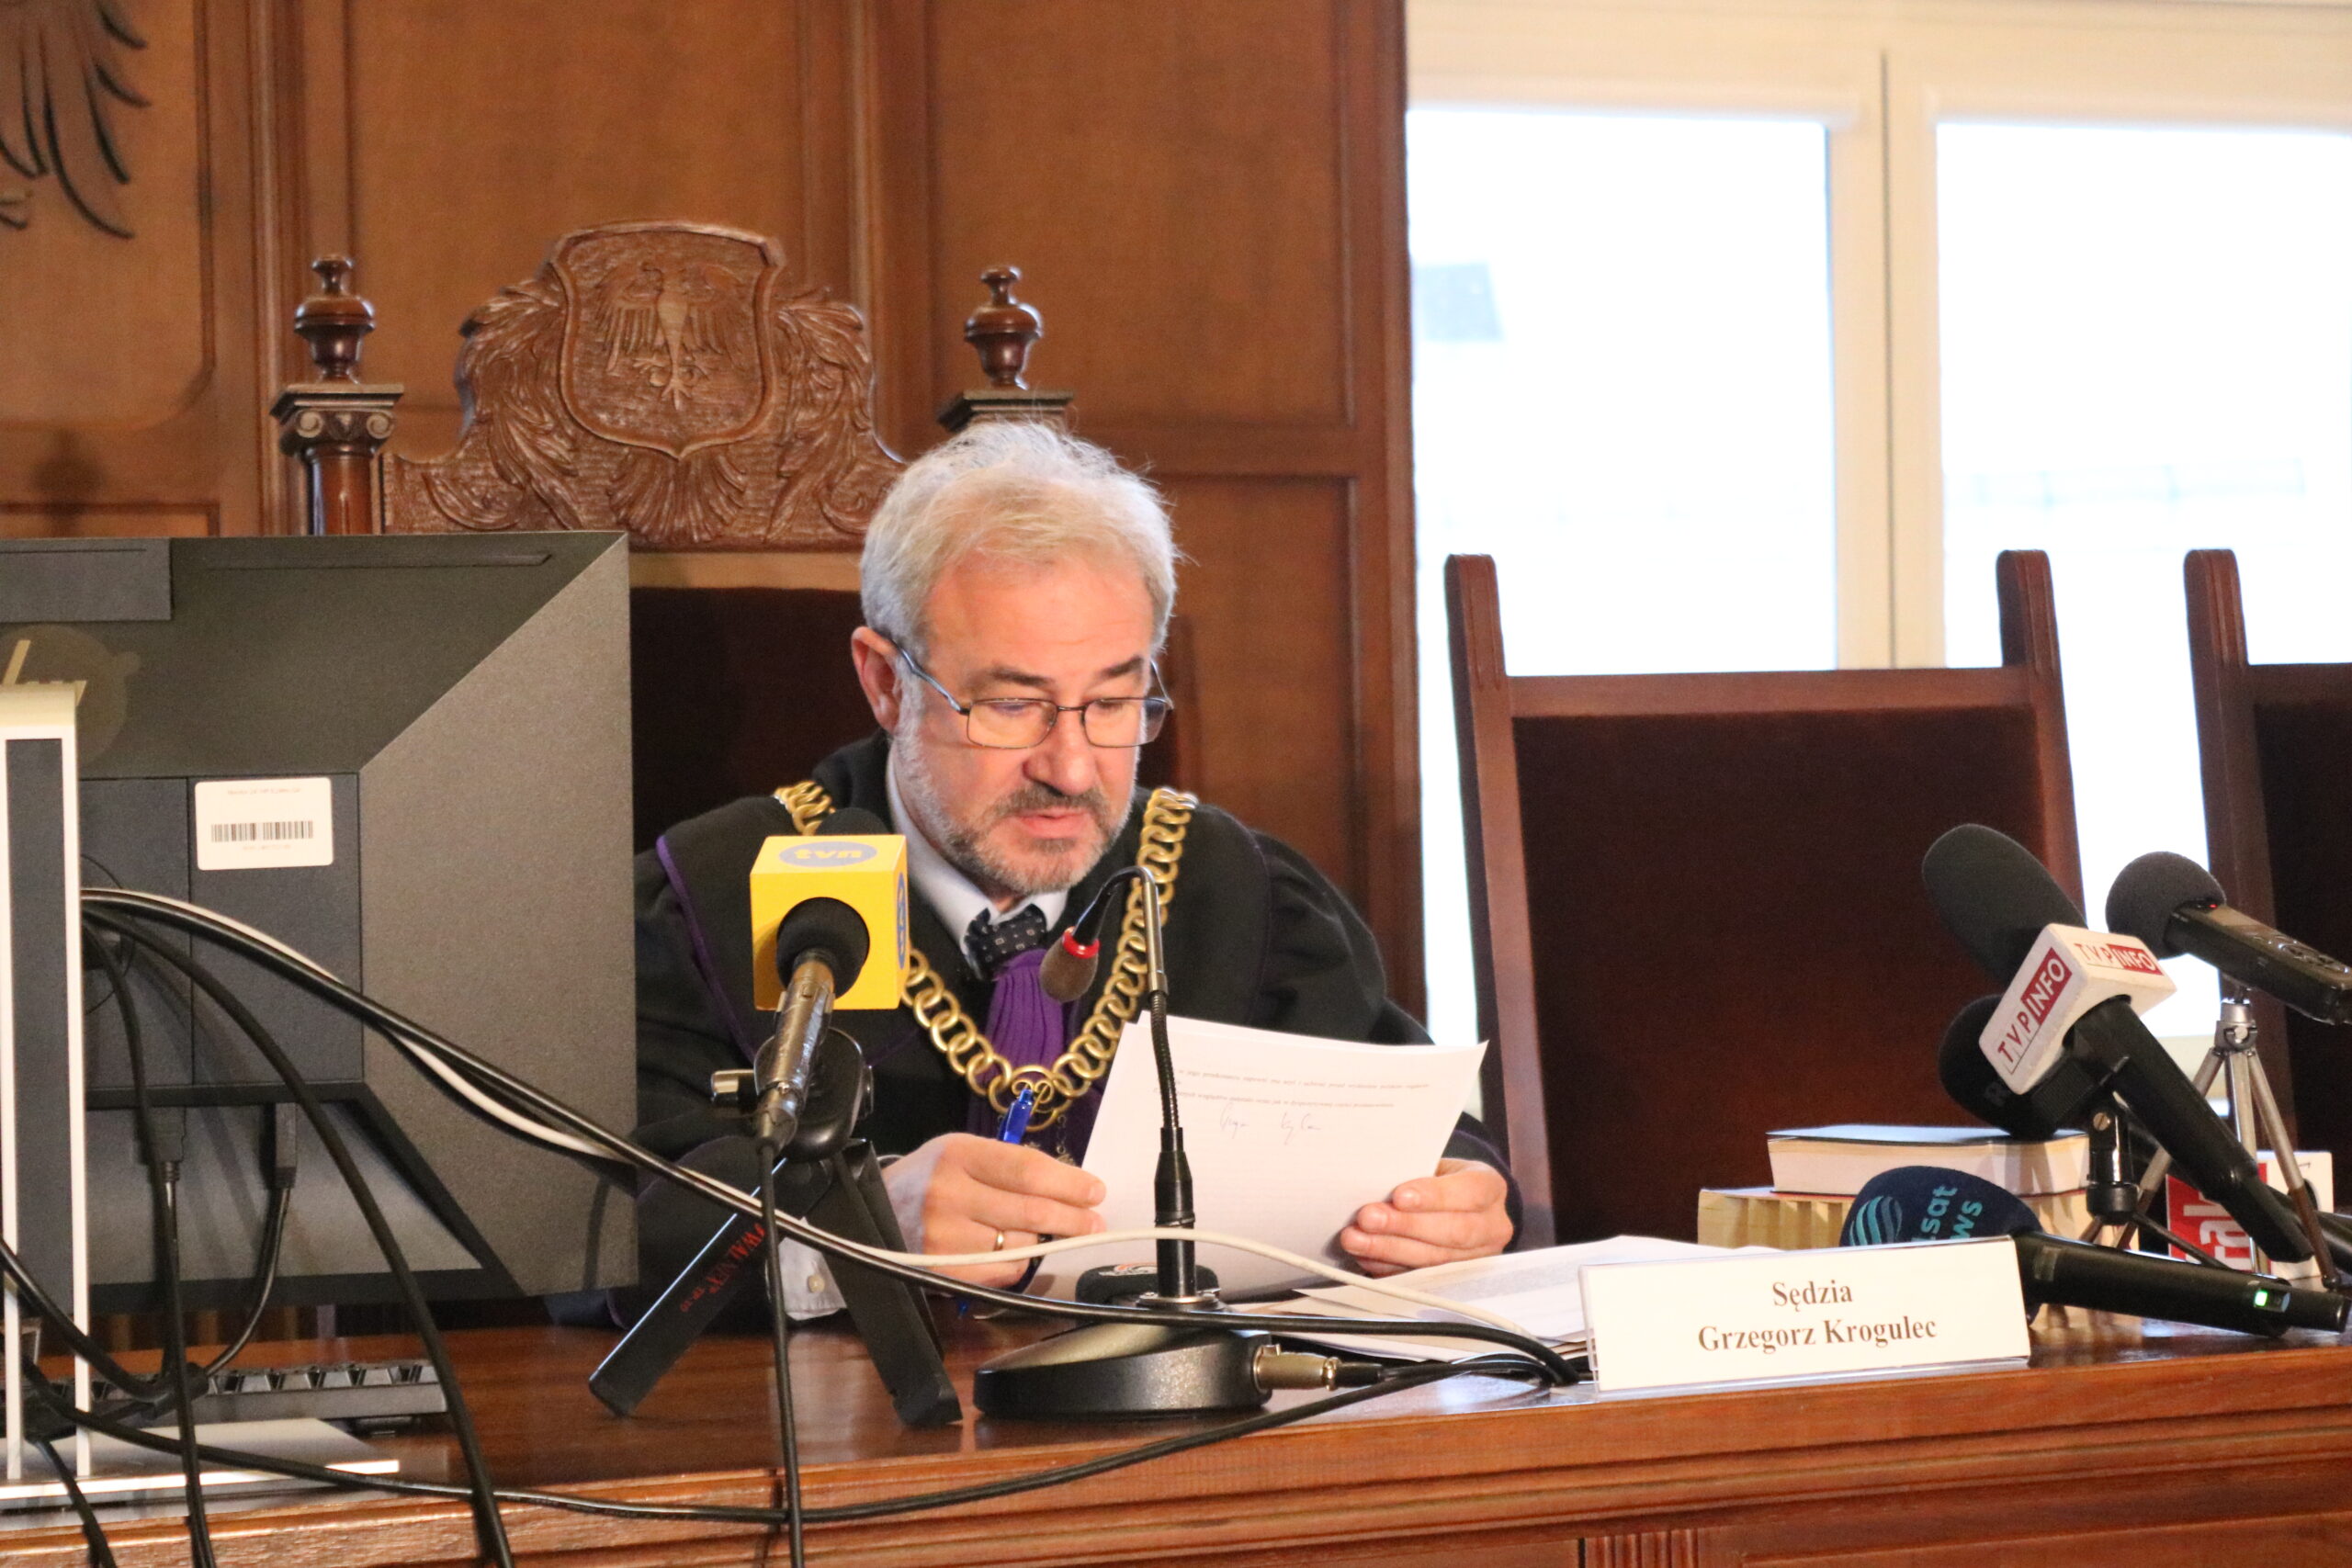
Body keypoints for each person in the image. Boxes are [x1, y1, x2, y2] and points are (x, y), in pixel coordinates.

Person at [631, 422, 1515, 1317]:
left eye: (1113, 701)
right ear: (886, 682)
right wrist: (849, 1234)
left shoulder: (1234, 889)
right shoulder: (712, 902)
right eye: (1013, 704)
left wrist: (1453, 1199)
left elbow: (1415, 1119)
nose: (1072, 768)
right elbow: (605, 1222)